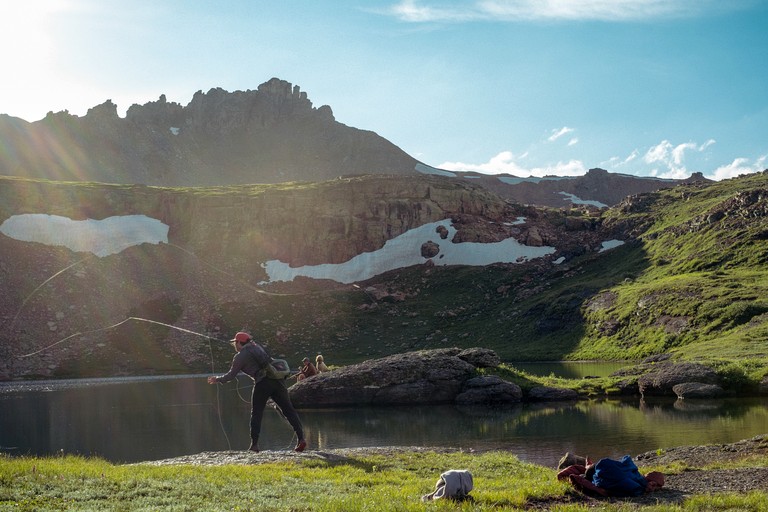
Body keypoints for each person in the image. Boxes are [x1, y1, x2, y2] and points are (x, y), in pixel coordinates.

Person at [207, 331, 307, 453]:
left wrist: (217, 379)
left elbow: (231, 375)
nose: (234, 345)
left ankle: (254, 445)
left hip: (263, 383)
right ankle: (301, 439)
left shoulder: (240, 356)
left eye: (235, 343)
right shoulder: (257, 347)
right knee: (288, 410)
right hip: (277, 380)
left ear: (239, 342)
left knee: (256, 413)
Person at [557, 455, 664, 498]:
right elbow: (625, 465)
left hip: (601, 469)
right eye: (654, 485)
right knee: (589, 471)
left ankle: (587, 464)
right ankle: (587, 464)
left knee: (589, 470)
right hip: (601, 469)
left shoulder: (638, 485)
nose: (652, 487)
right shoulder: (637, 479)